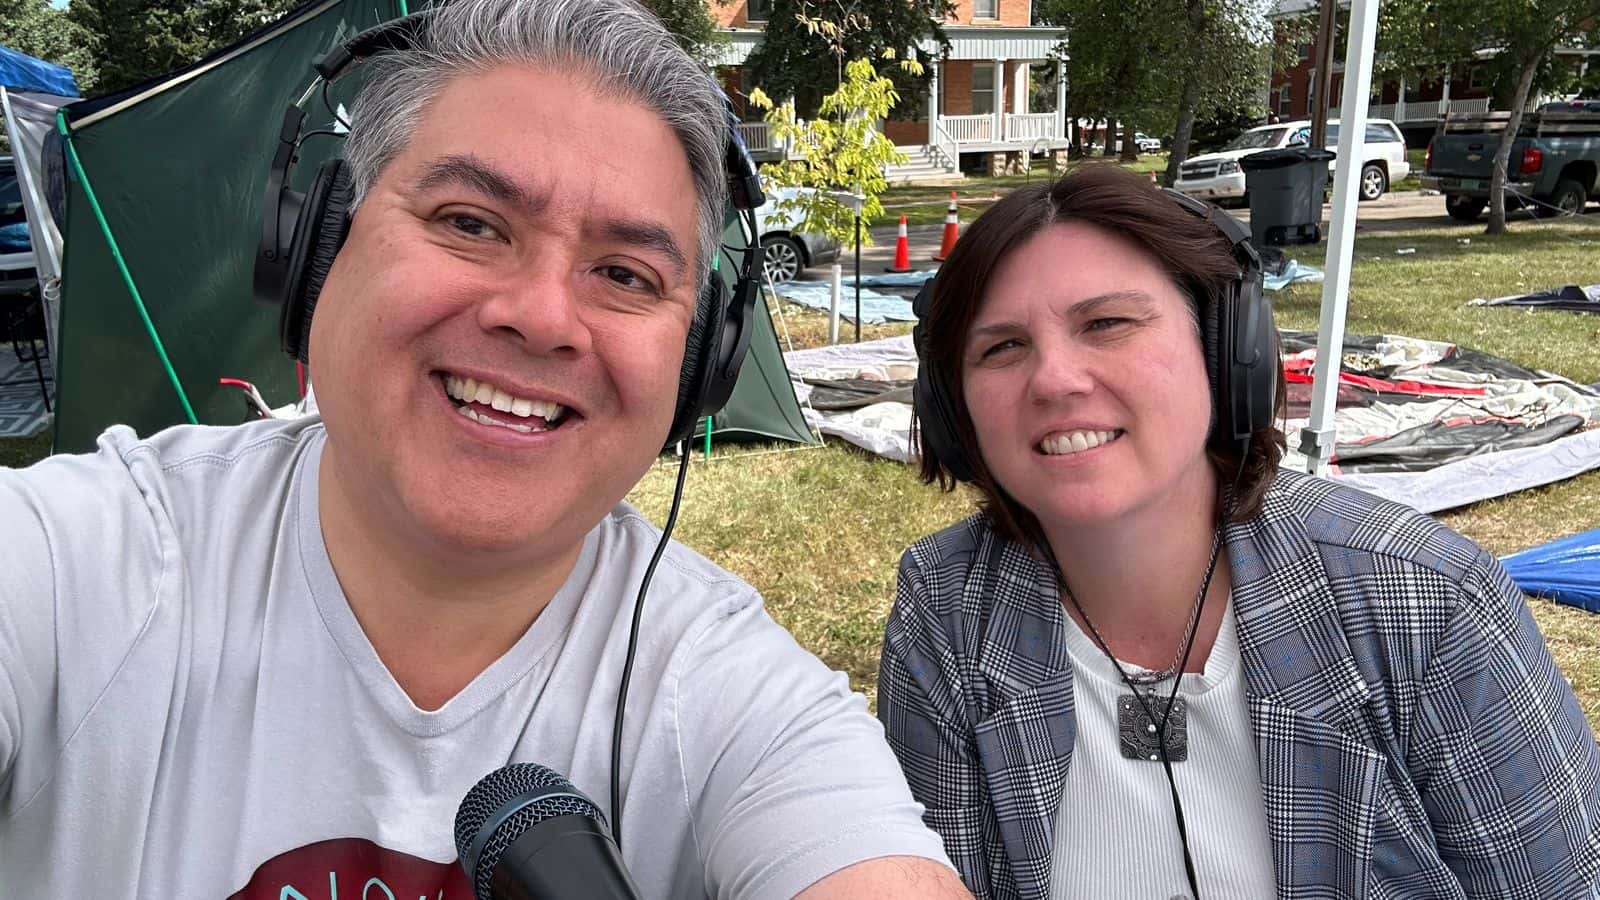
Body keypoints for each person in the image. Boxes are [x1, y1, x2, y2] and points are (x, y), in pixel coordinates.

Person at [0, 1, 972, 897]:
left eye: (626, 274)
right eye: (470, 223)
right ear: (316, 249)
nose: (541, 317)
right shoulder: (73, 565)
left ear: (700, 360)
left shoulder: (736, 696)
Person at [878, 164, 1600, 900]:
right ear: (954, 411)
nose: (1054, 379)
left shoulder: (1426, 602)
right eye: (1001, 347)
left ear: (1229, 352)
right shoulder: (947, 609)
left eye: (1107, 323)